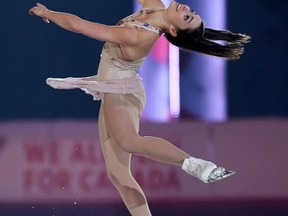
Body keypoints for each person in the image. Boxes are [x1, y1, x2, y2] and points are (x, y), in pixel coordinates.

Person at [29, 1, 250, 215]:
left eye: (187, 17)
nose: (186, 9)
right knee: (117, 173)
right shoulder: (155, 6)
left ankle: (194, 164)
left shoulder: (139, 35)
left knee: (127, 141)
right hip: (115, 88)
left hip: (122, 91)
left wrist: (48, 12)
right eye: (191, 12)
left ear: (173, 30)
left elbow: (77, 25)